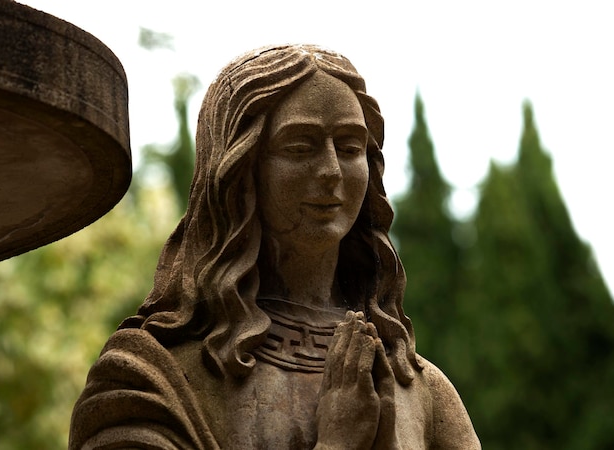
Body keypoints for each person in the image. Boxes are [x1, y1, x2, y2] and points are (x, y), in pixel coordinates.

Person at [69, 44, 480, 449]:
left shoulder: (421, 390)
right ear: (239, 170)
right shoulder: (154, 378)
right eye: (300, 147)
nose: (331, 171)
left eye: (351, 148)